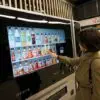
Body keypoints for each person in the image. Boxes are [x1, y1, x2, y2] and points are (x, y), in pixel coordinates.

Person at [49, 28, 100, 100]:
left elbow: (98, 94)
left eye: (80, 42)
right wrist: (57, 56)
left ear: (85, 45)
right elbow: (72, 61)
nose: (78, 44)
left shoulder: (96, 62)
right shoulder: (87, 56)